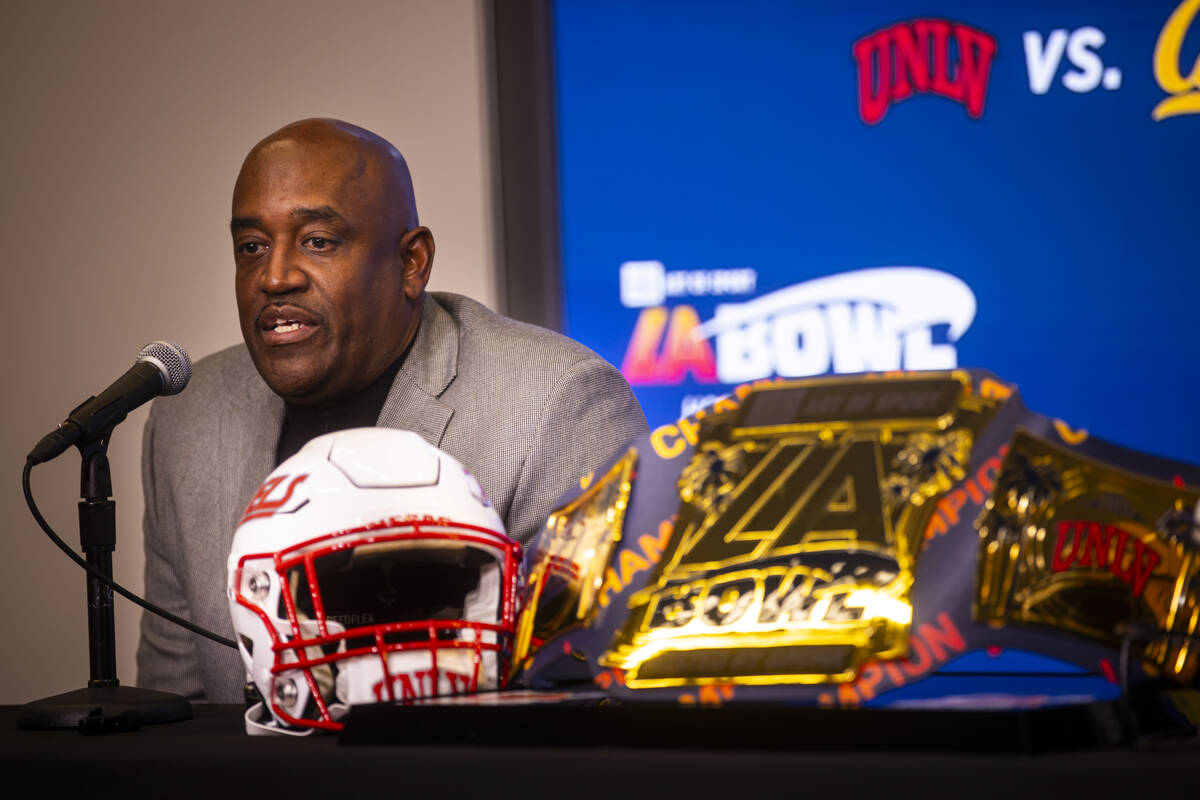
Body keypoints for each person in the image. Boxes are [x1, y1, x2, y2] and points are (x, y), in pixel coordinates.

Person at [136, 118, 648, 703]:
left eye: (318, 242)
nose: (274, 276)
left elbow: (601, 706)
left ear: (412, 263)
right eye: (252, 247)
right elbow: (176, 710)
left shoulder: (554, 405)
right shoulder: (189, 418)